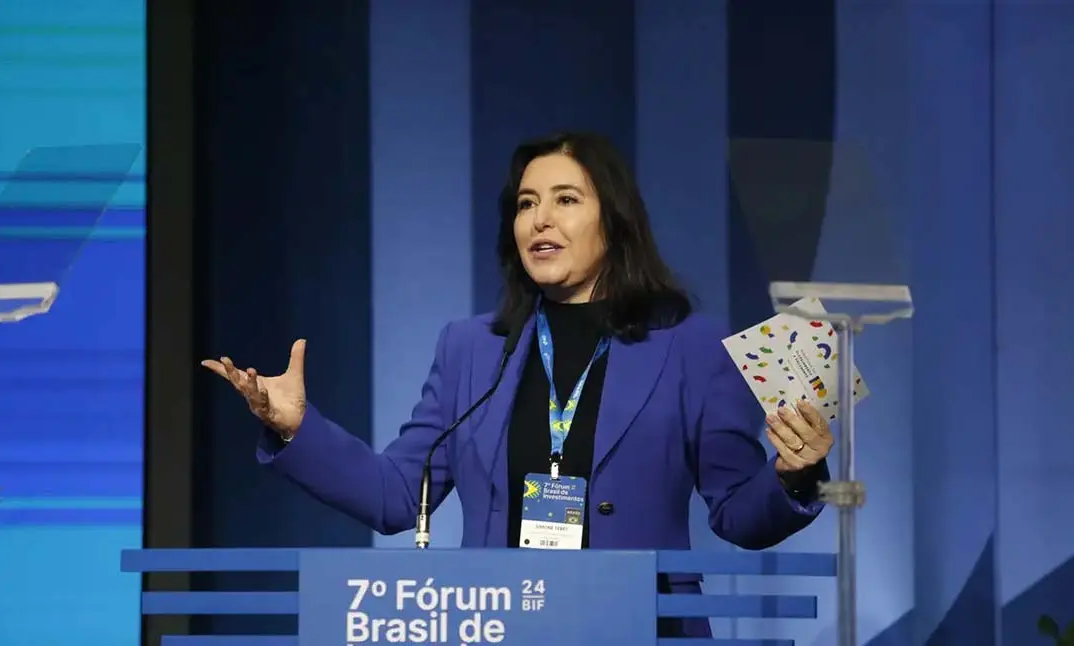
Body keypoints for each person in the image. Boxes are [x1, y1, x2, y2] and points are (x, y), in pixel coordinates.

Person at [202, 131, 832, 639]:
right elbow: (396, 497)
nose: (539, 220)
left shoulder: (691, 346)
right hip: (504, 626)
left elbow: (738, 514)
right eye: (527, 204)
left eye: (566, 199)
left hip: (645, 628)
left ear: (614, 221)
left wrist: (793, 475)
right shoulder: (470, 348)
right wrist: (297, 429)